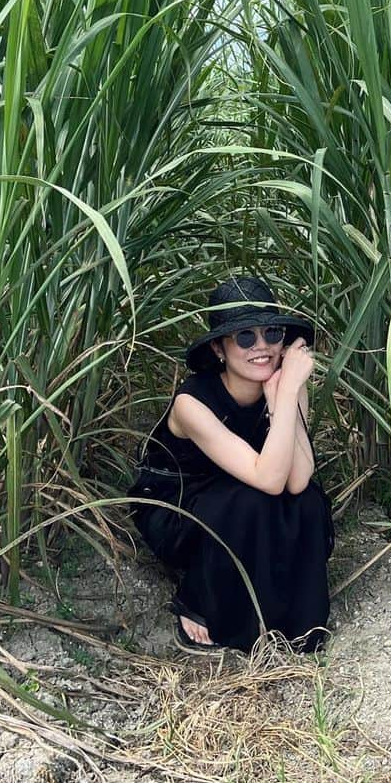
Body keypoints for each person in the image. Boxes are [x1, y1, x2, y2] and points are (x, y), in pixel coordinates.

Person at [130, 276, 334, 653]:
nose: (262, 347)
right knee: (247, 500)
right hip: (180, 506)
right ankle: (199, 600)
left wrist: (284, 397)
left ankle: (294, 621)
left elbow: (296, 481)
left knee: (306, 503)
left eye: (272, 333)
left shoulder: (285, 383)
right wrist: (287, 393)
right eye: (244, 337)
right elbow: (270, 480)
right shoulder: (192, 403)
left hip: (247, 490)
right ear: (220, 349)